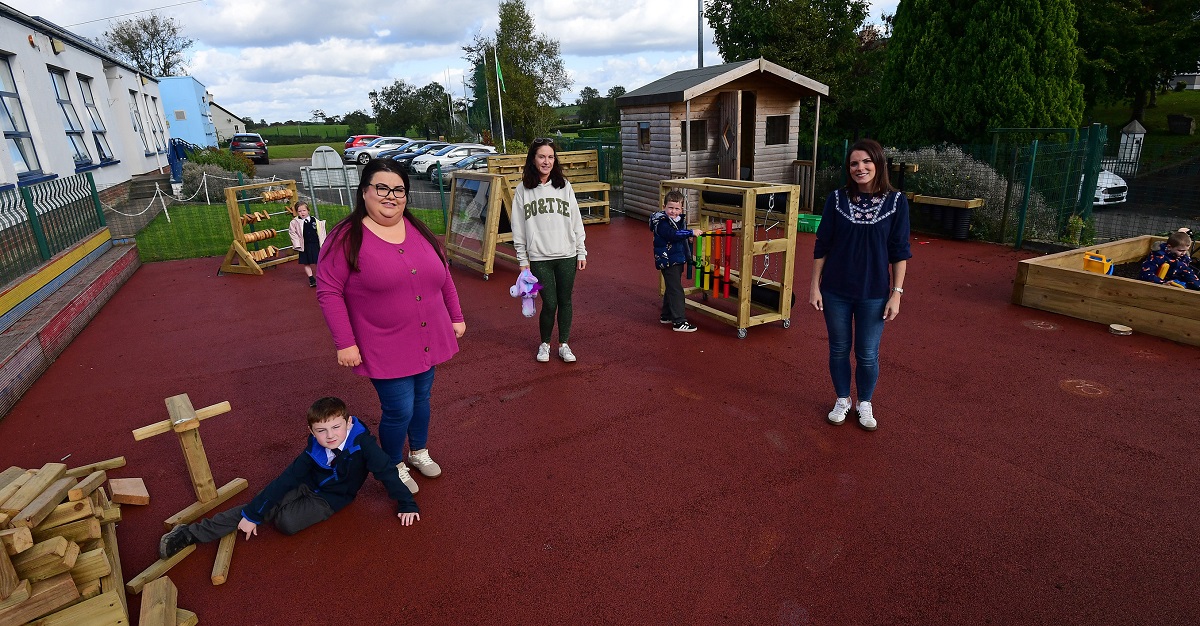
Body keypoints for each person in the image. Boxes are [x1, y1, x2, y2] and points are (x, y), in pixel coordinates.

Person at [316, 159, 466, 494]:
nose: (390, 196)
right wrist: (345, 342)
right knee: (399, 408)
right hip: (383, 343)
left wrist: (456, 316)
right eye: (381, 188)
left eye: (398, 190)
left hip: (427, 336)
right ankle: (392, 464)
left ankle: (418, 452)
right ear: (364, 192)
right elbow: (328, 292)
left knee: (423, 399)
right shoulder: (345, 238)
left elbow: (444, 278)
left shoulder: (418, 230)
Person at [158, 397, 418, 559]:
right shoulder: (313, 447)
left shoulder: (364, 445)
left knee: (287, 523)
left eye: (336, 427)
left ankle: (266, 513)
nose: (330, 436)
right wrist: (253, 515)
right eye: (321, 430)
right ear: (311, 430)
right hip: (306, 485)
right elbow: (286, 479)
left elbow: (386, 472)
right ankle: (190, 534)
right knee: (258, 506)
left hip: (330, 499)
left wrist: (406, 503)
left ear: (348, 423)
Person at [809, 138, 911, 432]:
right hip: (836, 291)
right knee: (839, 349)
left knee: (867, 353)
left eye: (866, 161)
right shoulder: (836, 199)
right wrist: (814, 285)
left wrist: (897, 293)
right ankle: (843, 399)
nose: (860, 168)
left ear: (878, 164)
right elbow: (822, 245)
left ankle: (864, 401)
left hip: (875, 294)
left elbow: (899, 251)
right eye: (854, 163)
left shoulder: (896, 202)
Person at [510, 138, 588, 363]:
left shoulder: (564, 185)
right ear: (533, 159)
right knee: (550, 302)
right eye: (542, 156)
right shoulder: (523, 190)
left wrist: (581, 251)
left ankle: (564, 344)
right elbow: (518, 228)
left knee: (565, 301)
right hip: (539, 257)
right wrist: (522, 260)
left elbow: (576, 220)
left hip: (567, 254)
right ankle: (544, 343)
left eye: (551, 157)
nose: (546, 161)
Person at [651, 190, 703, 332]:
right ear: (664, 207)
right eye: (670, 208)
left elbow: (680, 237)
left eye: (677, 208)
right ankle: (679, 321)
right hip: (668, 260)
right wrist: (690, 232)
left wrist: (688, 238)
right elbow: (672, 235)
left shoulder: (680, 221)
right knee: (676, 290)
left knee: (672, 287)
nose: (673, 211)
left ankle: (667, 315)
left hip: (677, 258)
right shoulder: (661, 222)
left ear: (681, 209)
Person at [288, 201, 324, 287]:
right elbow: (292, 233)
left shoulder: (314, 220)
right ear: (297, 212)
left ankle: (321, 277)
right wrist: (297, 244)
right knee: (306, 262)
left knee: (318, 261)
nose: (302, 213)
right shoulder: (295, 222)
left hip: (315, 244)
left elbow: (321, 232)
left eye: (304, 210)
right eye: (299, 211)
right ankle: (311, 279)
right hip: (304, 245)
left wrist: (323, 243)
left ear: (308, 210)